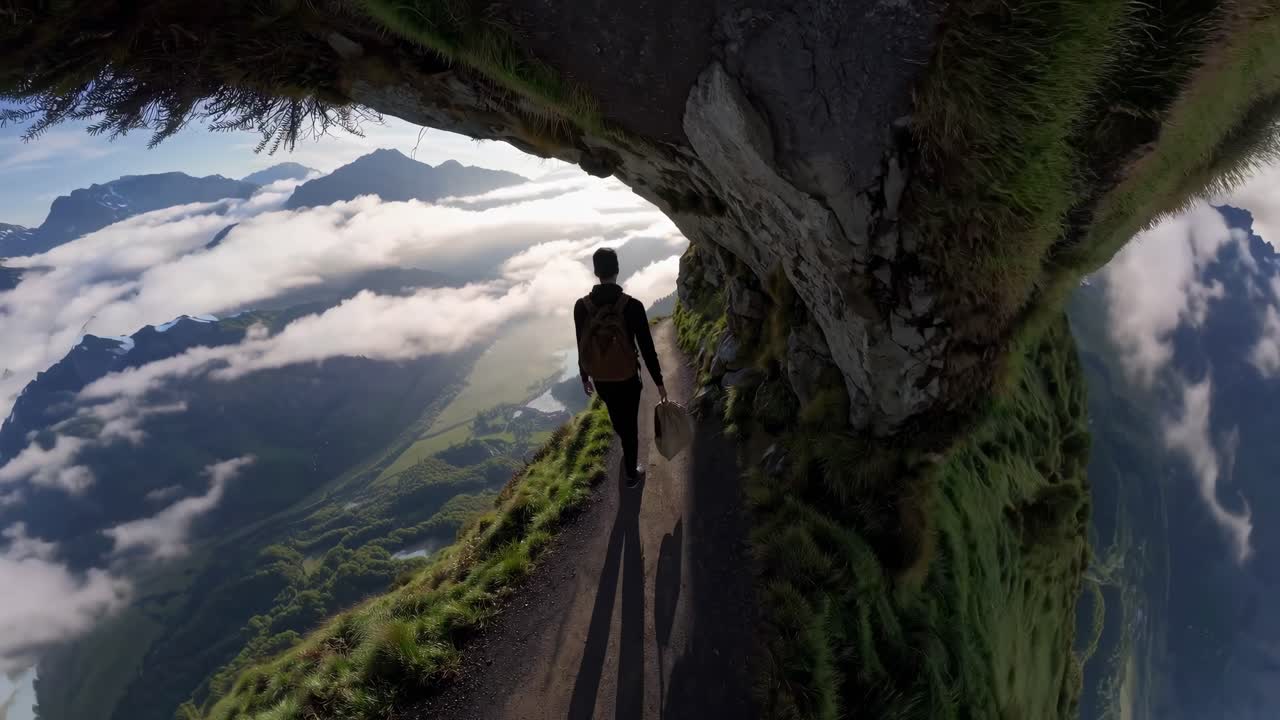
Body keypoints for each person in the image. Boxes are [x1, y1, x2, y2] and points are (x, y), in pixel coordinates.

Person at [575, 247, 667, 487]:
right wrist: (659, 382)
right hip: (628, 378)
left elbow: (581, 343)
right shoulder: (632, 306)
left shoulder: (581, 307)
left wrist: (585, 376)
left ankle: (627, 450)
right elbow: (647, 348)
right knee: (630, 425)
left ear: (596, 272)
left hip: (601, 378)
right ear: (617, 270)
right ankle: (631, 474)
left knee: (618, 419)